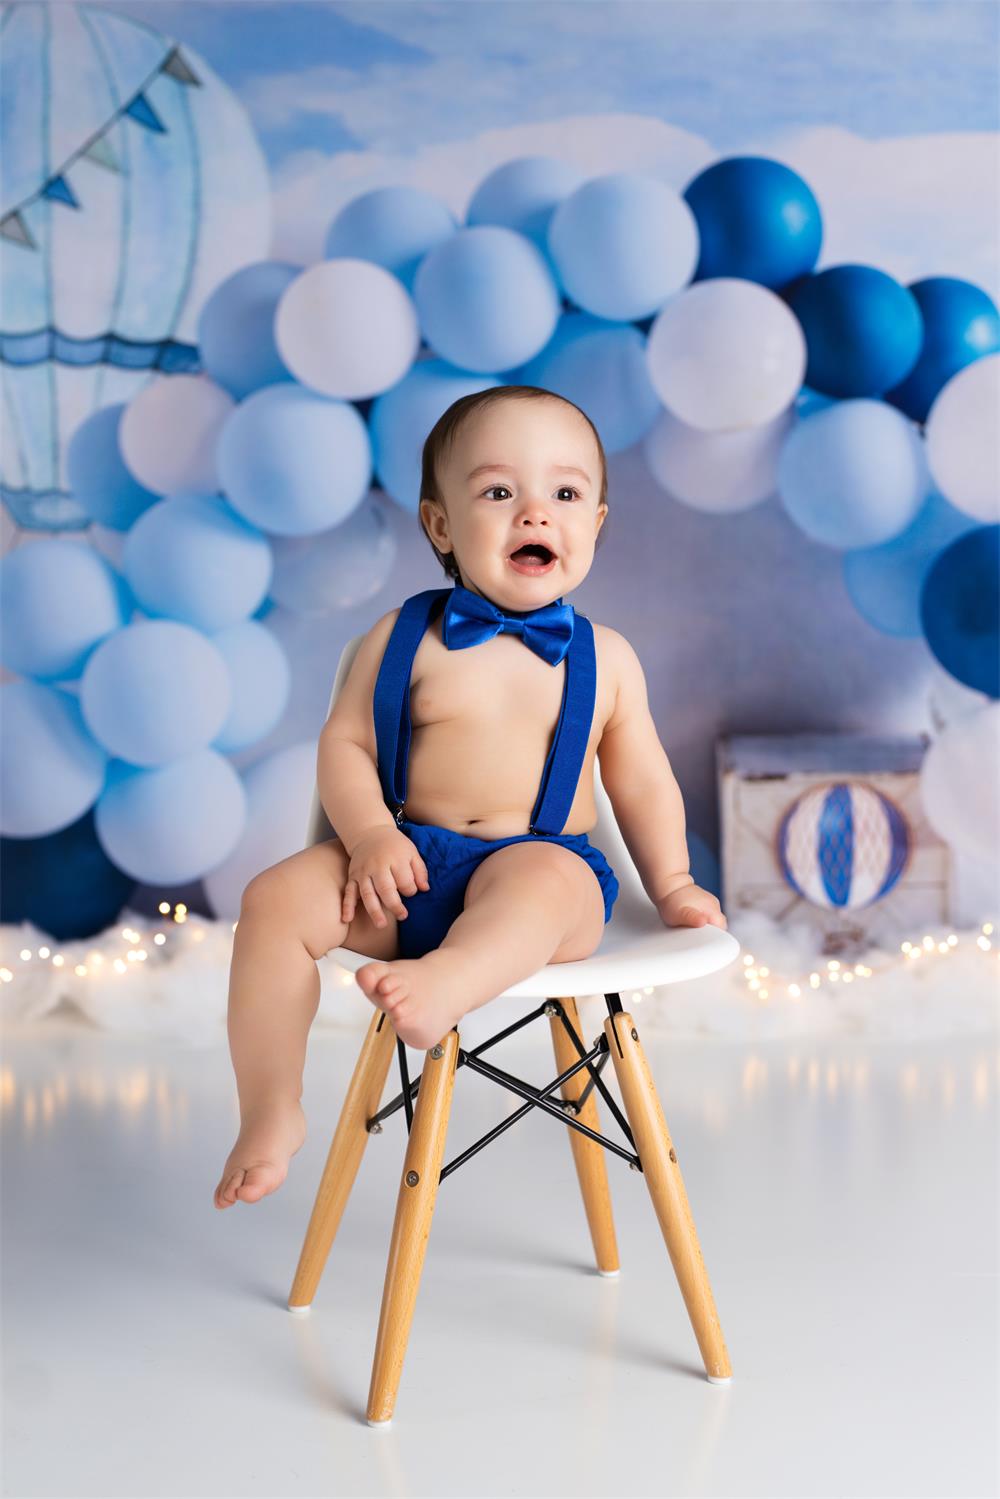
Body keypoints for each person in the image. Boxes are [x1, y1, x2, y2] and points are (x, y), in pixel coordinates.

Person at [214, 385, 726, 1210]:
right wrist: (374, 836)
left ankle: (452, 977)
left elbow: (643, 781)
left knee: (539, 886)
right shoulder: (401, 637)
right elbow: (344, 746)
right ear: (441, 526)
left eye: (564, 493)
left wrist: (670, 884)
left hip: (545, 871)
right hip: (408, 863)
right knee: (271, 902)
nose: (535, 513)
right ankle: (271, 1106)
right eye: (499, 492)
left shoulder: (609, 659)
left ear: (594, 522)